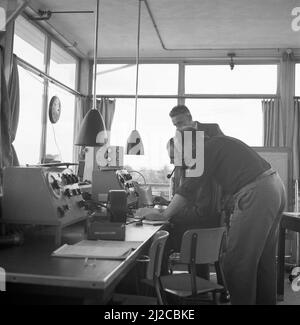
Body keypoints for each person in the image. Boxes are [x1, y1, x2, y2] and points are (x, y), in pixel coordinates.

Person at [146, 129, 286, 305]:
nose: (178, 162)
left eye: (177, 155)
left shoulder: (205, 150)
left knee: (237, 265)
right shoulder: (219, 144)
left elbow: (189, 188)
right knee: (262, 263)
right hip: (274, 186)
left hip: (257, 192)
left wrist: (164, 214)